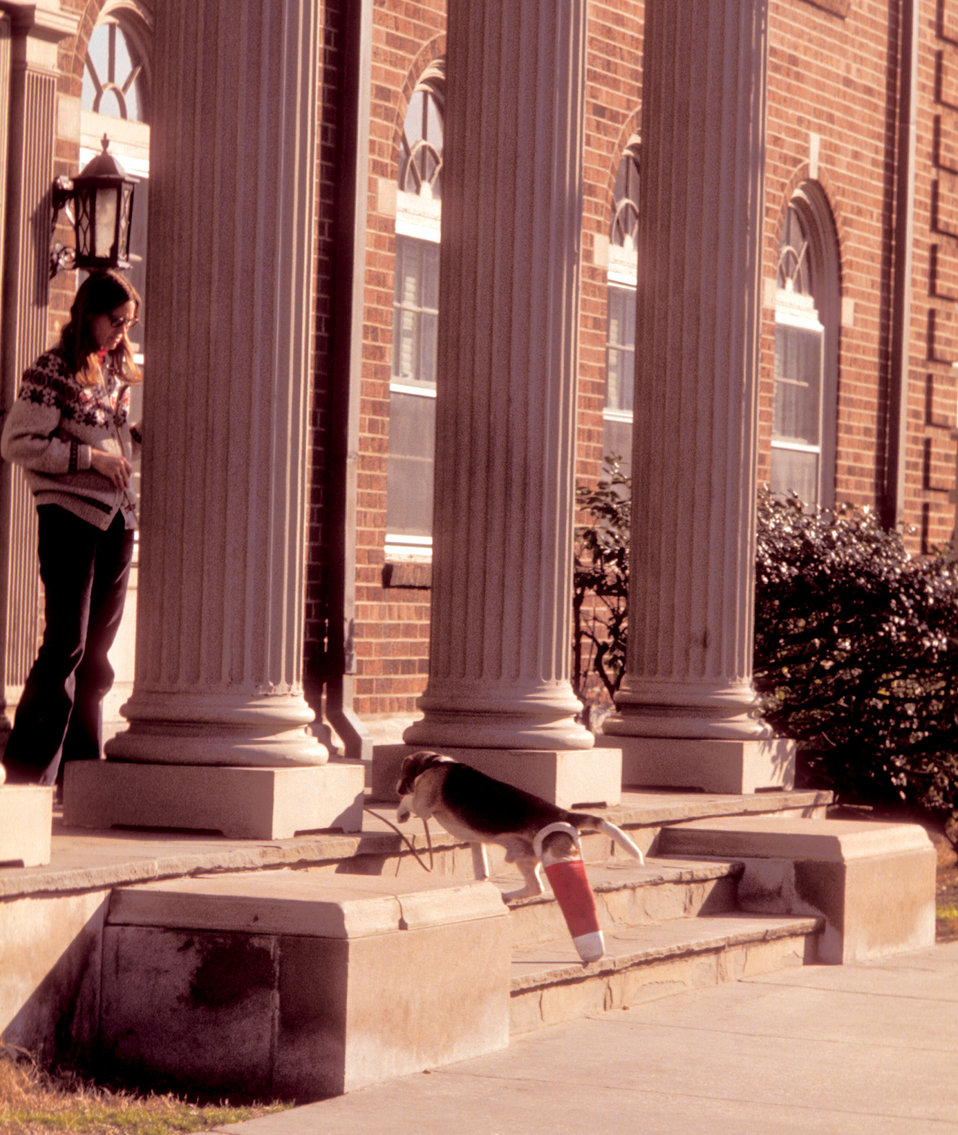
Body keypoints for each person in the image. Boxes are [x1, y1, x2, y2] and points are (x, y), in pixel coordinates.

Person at [1, 269, 143, 788]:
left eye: (127, 324)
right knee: (66, 643)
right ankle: (25, 774)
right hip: (69, 519)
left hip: (117, 522)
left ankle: (81, 775)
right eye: (115, 321)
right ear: (89, 312)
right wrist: (91, 458)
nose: (120, 333)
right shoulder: (51, 369)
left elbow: (116, 445)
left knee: (98, 657)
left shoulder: (113, 375)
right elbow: (16, 443)